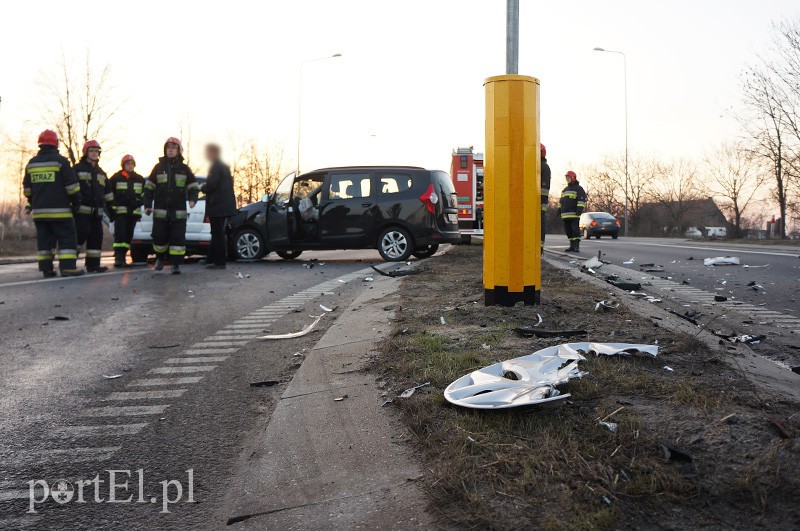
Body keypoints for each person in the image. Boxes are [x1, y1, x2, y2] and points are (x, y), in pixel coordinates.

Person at [23, 129, 84, 277]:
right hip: (60, 212)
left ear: (40, 144)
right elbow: (72, 187)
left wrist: (32, 202)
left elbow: (27, 190)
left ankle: (47, 269)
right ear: (56, 144)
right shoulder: (61, 162)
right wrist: (77, 202)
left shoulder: (31, 164)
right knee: (67, 239)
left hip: (39, 213)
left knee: (44, 242)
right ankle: (68, 268)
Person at [143, 137, 199, 275]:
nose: (171, 150)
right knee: (159, 237)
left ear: (179, 151)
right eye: (168, 147)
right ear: (165, 150)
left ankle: (176, 264)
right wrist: (147, 204)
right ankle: (160, 259)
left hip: (178, 212)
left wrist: (193, 200)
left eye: (174, 147)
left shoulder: (185, 169)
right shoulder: (158, 168)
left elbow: (193, 186)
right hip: (160, 211)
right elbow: (149, 187)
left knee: (177, 239)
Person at [73, 140, 110, 273]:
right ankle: (69, 264)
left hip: (97, 214)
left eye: (97, 151)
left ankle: (93, 265)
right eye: (92, 151)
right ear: (86, 152)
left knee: (96, 238)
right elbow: (71, 189)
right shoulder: (77, 169)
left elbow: (108, 194)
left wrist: (112, 212)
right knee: (78, 237)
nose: (95, 153)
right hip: (81, 213)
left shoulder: (101, 173)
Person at [201, 144, 236, 269]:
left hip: (217, 206)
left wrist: (202, 188)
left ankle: (220, 262)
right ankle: (210, 259)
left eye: (208, 152)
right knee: (217, 233)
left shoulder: (215, 166)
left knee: (217, 234)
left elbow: (212, 184)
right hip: (223, 205)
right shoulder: (223, 166)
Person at [107, 154, 146, 267]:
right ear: (123, 165)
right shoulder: (116, 178)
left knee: (128, 236)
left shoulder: (139, 179)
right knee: (120, 235)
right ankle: (119, 257)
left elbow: (145, 194)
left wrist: (138, 202)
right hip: (121, 213)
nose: (130, 166)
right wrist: (112, 210)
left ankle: (123, 255)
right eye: (127, 163)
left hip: (133, 213)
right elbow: (109, 194)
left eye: (132, 164)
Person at [559, 170, 586, 253]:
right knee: (568, 231)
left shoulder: (579, 189)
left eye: (568, 177)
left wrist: (579, 210)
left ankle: (576, 246)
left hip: (574, 214)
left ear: (573, 178)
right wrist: (559, 210)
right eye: (566, 178)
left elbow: (581, 200)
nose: (567, 179)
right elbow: (561, 201)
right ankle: (571, 245)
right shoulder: (565, 190)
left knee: (575, 230)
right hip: (565, 215)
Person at [540, 144, 551, 246]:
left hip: (540, 202)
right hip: (539, 201)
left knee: (540, 223)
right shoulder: (539, 165)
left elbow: (544, 187)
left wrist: (542, 202)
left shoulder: (544, 167)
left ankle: (540, 247)